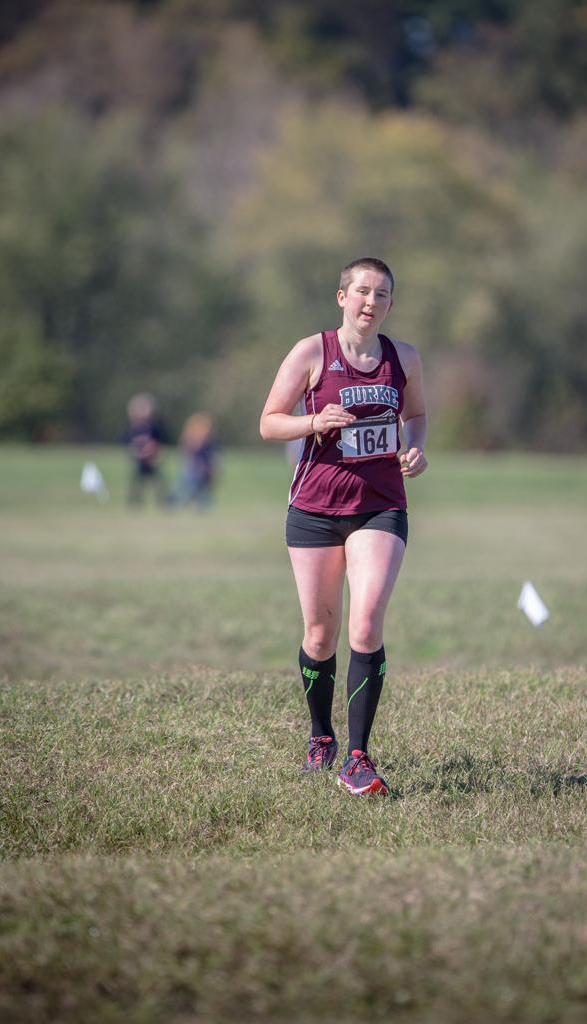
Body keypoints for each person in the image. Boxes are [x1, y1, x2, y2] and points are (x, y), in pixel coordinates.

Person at [259, 257, 428, 796]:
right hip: (313, 508)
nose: (370, 302)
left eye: (381, 295)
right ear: (341, 297)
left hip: (380, 504)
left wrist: (417, 447)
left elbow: (417, 415)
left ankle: (357, 757)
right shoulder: (313, 352)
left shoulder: (404, 358)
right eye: (361, 291)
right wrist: (314, 421)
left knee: (366, 623)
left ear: (389, 305)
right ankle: (321, 736)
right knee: (319, 633)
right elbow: (268, 422)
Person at [124, 393, 168, 506]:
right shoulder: (133, 428)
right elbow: (130, 445)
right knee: (136, 482)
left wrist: (155, 454)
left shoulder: (153, 428)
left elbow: (158, 444)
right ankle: (134, 502)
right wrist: (138, 454)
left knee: (158, 482)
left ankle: (164, 502)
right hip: (139, 461)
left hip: (151, 461)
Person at [169, 412, 218, 509]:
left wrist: (210, 470)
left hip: (204, 471)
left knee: (203, 490)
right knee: (187, 485)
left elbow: (212, 459)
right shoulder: (190, 440)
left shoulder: (209, 443)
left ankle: (201, 505)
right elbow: (185, 455)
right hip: (192, 469)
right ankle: (174, 500)